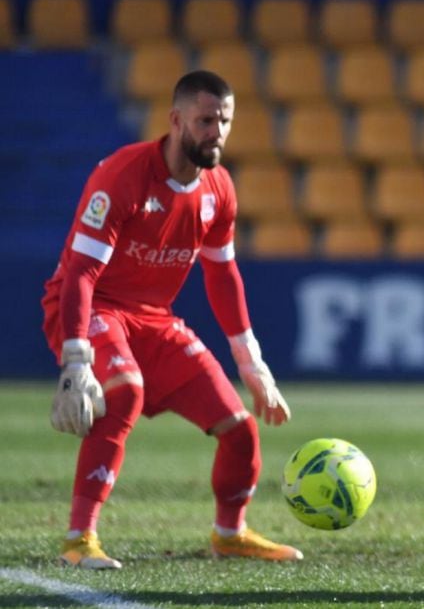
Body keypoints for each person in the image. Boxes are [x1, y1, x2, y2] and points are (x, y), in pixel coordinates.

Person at [42, 70, 301, 569]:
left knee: (240, 428)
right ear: (176, 119)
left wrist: (252, 363)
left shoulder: (219, 189)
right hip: (93, 305)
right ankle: (80, 539)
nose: (217, 132)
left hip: (153, 319)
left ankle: (230, 533)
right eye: (206, 120)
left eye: (224, 121)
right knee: (126, 389)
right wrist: (76, 358)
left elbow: (222, 274)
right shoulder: (123, 176)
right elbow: (81, 271)